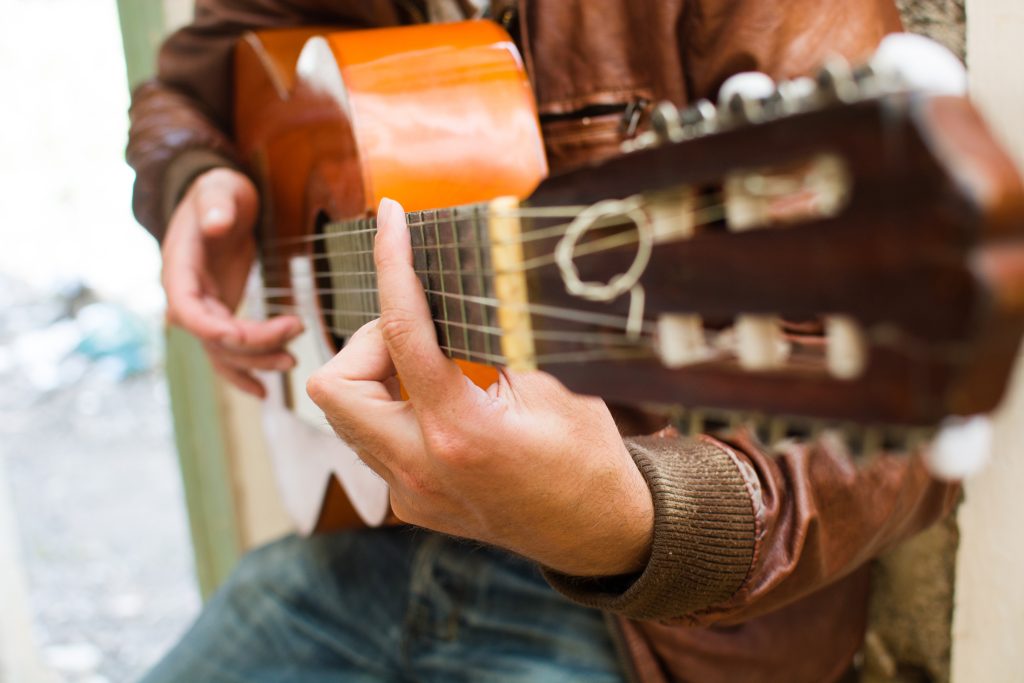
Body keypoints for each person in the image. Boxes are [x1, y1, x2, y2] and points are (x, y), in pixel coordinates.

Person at [127, 1, 959, 681]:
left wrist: (635, 518)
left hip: (654, 639)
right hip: (375, 552)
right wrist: (194, 174)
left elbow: (912, 416)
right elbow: (197, 74)